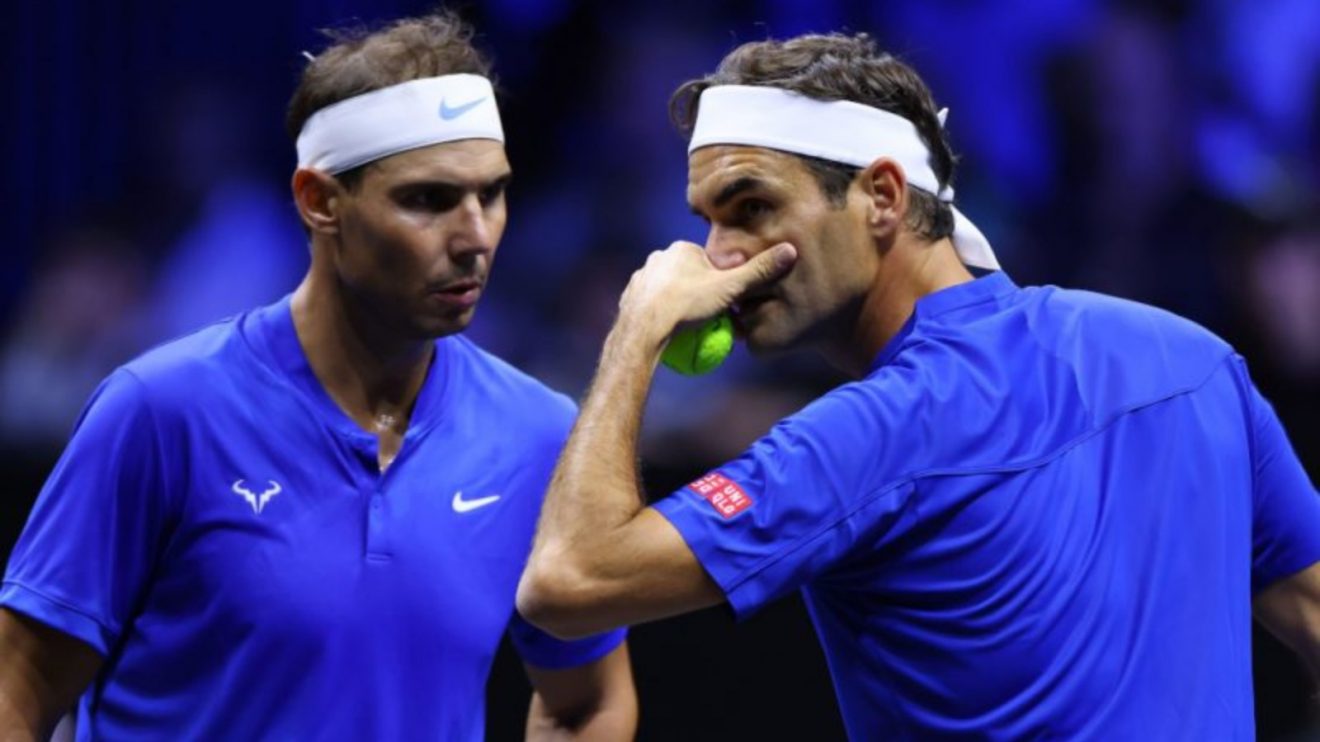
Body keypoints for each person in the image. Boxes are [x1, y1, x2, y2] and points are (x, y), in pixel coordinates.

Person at [516, 32, 1320, 739]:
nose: (716, 257)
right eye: (709, 219)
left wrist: (636, 330)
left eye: (751, 208)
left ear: (882, 198)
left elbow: (567, 580)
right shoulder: (1191, 358)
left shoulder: (871, 433)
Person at [0, 12, 635, 741]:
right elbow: (18, 693)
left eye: (490, 194)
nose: (475, 236)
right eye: (428, 199)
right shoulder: (159, 411)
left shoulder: (540, 433)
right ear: (320, 201)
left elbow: (586, 700)